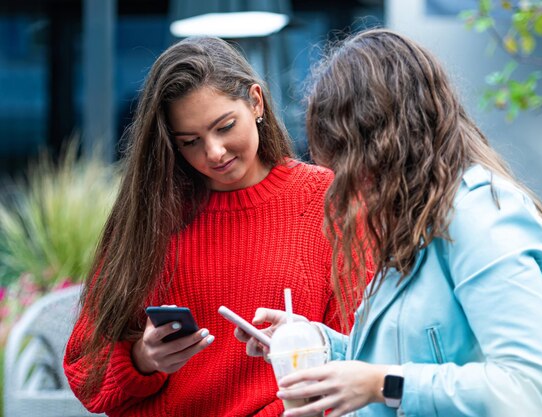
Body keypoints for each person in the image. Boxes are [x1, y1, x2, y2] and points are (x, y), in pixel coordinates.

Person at [239, 28, 542, 417]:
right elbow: (407, 353)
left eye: (347, 164)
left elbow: (526, 385)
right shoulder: (416, 218)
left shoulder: (483, 216)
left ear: (385, 143)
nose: (347, 185)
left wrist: (380, 384)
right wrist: (318, 342)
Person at [63, 36, 348, 417]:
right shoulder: (152, 214)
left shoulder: (325, 199)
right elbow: (85, 370)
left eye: (225, 126)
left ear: (256, 102)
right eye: (190, 141)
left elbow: (355, 353)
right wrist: (143, 358)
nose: (213, 153)